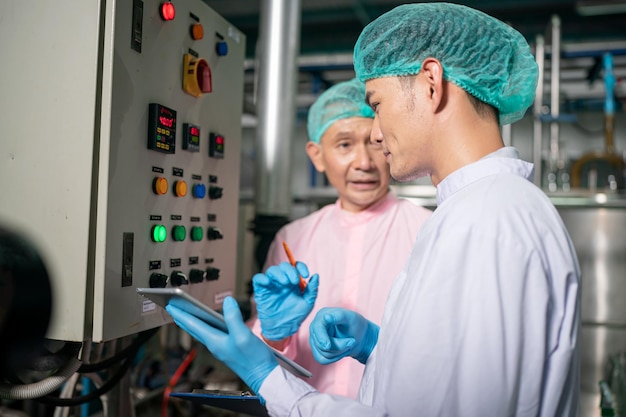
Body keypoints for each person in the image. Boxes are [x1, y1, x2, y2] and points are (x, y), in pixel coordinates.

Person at [166, 3, 581, 416]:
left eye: (377, 105)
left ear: (431, 83)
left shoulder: (483, 223)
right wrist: (379, 347)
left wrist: (268, 379)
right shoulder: (483, 211)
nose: (377, 136)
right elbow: (444, 381)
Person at [248, 78, 432, 398]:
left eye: (375, 143)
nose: (364, 163)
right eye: (345, 145)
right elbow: (261, 363)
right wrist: (273, 335)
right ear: (317, 155)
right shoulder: (292, 238)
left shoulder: (427, 230)